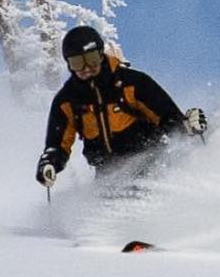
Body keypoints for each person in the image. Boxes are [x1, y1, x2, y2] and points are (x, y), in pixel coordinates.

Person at [36, 25, 208, 188]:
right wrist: (49, 163)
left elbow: (167, 116)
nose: (86, 68)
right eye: (77, 63)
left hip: (151, 159)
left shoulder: (132, 83)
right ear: (69, 64)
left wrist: (188, 125)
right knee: (108, 207)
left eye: (91, 59)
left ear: (101, 55)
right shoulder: (67, 101)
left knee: (145, 192)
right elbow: (57, 145)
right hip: (107, 174)